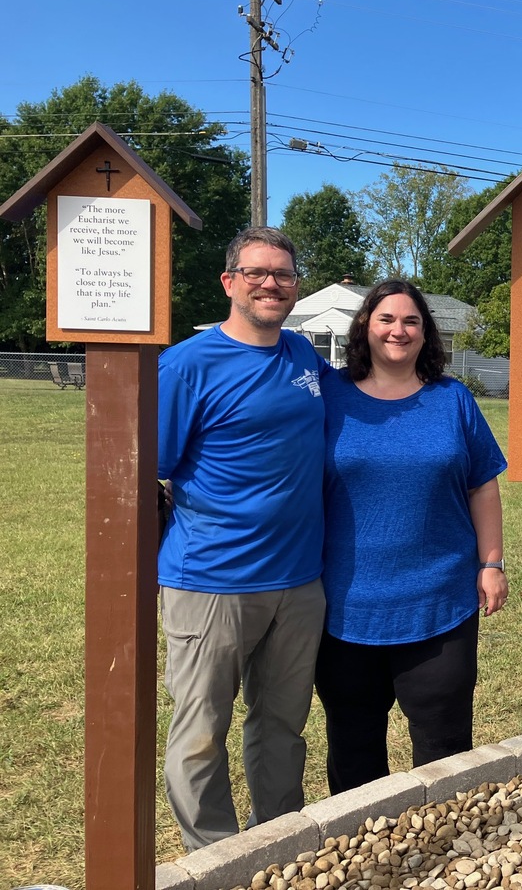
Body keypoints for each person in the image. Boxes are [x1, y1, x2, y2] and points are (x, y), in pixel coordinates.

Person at [158, 226, 327, 850]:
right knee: (201, 729)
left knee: (282, 724)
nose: (271, 284)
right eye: (257, 272)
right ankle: (214, 856)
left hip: (299, 582)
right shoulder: (185, 365)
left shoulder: (304, 358)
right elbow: (150, 468)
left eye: (283, 274)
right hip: (212, 582)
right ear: (230, 281)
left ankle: (277, 845)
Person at [317, 279, 507, 794]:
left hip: (439, 604)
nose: (398, 330)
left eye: (411, 321)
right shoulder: (328, 396)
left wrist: (492, 563)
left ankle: (443, 849)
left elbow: (483, 487)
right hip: (344, 608)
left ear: (426, 334)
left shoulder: (453, 399)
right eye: (386, 319)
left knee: (444, 750)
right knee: (354, 751)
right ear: (365, 327)